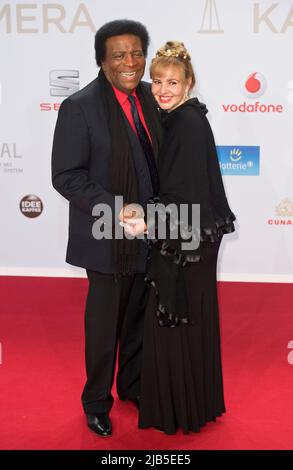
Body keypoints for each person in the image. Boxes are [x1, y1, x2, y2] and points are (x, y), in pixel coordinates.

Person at [51, 20, 162, 437]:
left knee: (137, 317)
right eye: (119, 55)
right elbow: (66, 175)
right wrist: (119, 211)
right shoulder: (80, 106)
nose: (130, 62)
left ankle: (132, 385)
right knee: (104, 327)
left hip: (151, 232)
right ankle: (96, 401)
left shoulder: (152, 97)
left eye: (136, 53)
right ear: (102, 59)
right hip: (106, 235)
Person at [136, 41, 236, 435]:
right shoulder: (181, 119)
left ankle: (179, 411)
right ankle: (190, 406)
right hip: (192, 237)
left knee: (175, 317)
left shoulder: (186, 124)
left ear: (189, 82)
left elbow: (184, 193)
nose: (163, 89)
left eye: (172, 82)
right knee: (188, 318)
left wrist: (148, 222)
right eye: (157, 81)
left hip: (186, 243)